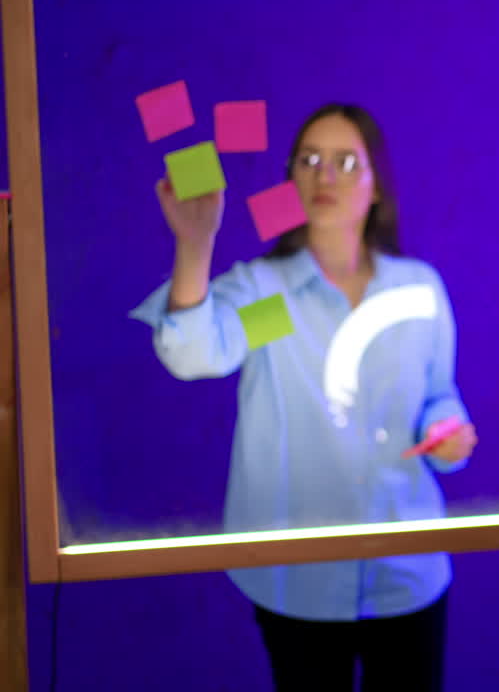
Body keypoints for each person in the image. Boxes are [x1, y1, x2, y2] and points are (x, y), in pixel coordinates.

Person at [130, 103, 475, 692]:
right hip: (299, 585)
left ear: (376, 186)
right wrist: (195, 242)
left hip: (409, 569)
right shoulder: (271, 298)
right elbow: (194, 353)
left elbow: (439, 396)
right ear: (290, 178)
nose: (325, 175)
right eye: (309, 160)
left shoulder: (417, 289)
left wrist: (449, 431)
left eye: (346, 161)